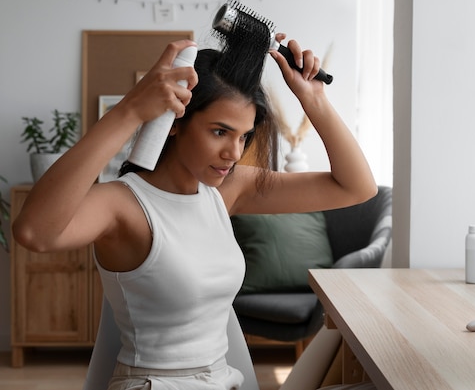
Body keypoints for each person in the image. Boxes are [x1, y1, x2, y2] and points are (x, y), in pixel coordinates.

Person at [12, 33, 377, 390]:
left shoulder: (228, 190)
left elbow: (357, 188)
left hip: (224, 378)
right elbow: (33, 233)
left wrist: (313, 100)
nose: (234, 153)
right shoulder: (123, 204)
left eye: (243, 136)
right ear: (174, 123)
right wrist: (131, 110)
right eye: (220, 132)